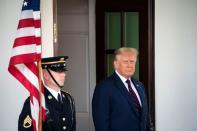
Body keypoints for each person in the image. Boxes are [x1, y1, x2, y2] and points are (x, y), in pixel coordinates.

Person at [92, 47, 150, 131]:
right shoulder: (104, 87)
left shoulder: (140, 85)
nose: (130, 65)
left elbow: (145, 118)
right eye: (125, 62)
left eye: (132, 62)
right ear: (116, 64)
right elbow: (101, 123)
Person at [18, 56, 76, 131]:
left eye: (63, 71)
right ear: (46, 75)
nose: (63, 75)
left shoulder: (69, 99)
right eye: (59, 71)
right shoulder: (36, 102)